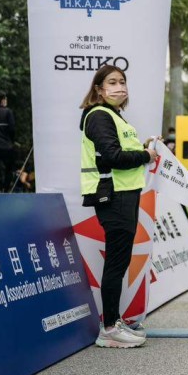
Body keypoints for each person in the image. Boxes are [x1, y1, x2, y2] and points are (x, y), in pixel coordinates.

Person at [79, 64, 158, 348]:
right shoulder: (99, 115)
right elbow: (112, 156)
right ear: (99, 89)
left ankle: (114, 320)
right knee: (116, 261)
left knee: (119, 260)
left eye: (122, 82)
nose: (119, 87)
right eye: (112, 82)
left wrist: (145, 147)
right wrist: (146, 155)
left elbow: (120, 151)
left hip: (123, 194)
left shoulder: (115, 116)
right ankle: (109, 327)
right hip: (112, 195)